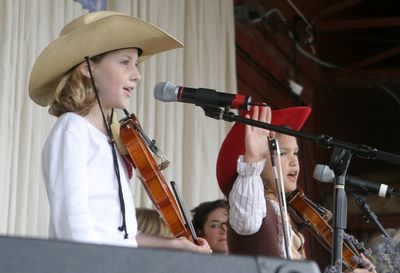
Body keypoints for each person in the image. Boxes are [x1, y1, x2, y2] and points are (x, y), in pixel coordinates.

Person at [28, 11, 210, 253]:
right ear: (87, 69)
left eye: (136, 64)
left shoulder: (110, 140)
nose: (137, 74)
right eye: (125, 62)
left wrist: (176, 245)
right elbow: (71, 220)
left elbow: (122, 235)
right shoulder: (72, 129)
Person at [216, 105, 376, 272]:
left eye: (296, 153)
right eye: (283, 153)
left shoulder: (283, 211)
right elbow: (247, 222)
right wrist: (252, 160)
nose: (294, 162)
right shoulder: (256, 207)